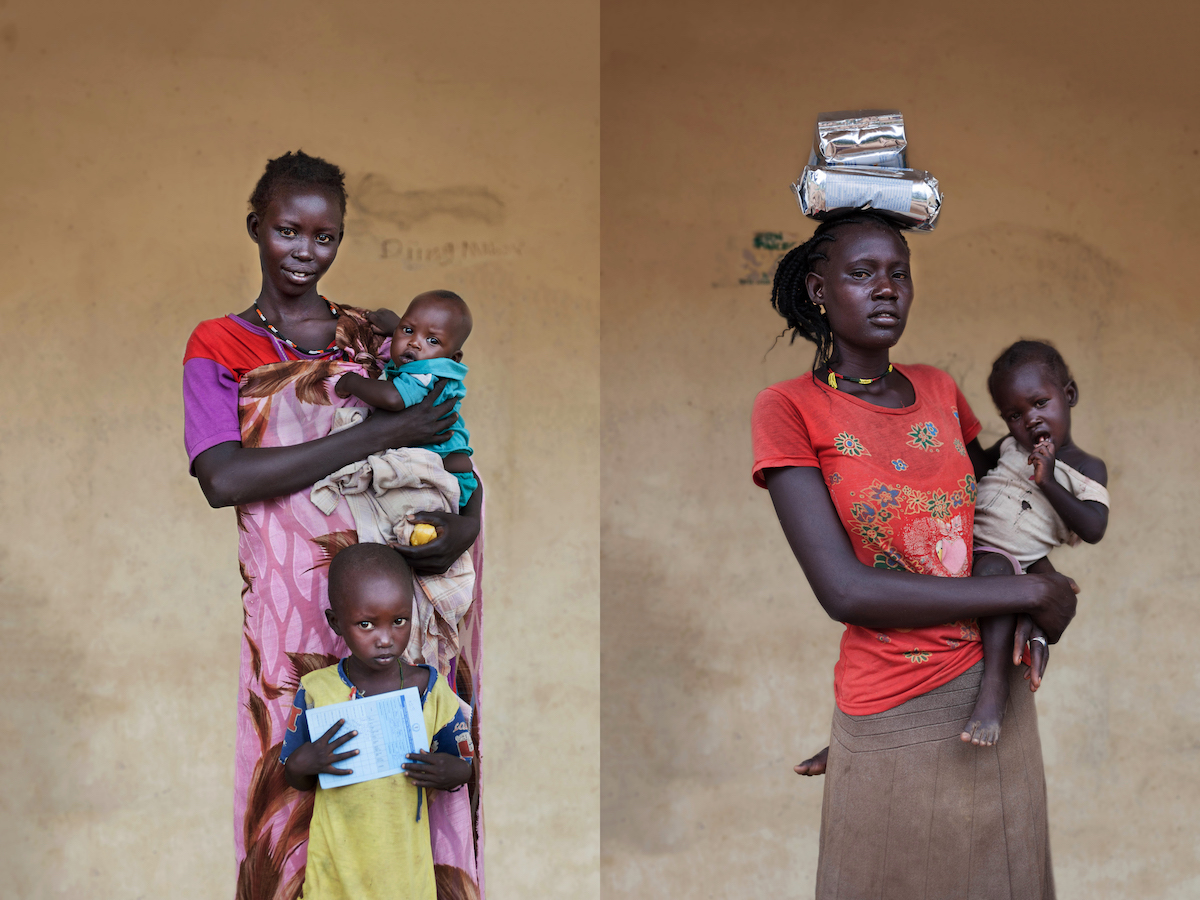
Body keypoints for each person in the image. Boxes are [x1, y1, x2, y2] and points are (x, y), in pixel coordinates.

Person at [182, 150, 483, 898]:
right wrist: (380, 432)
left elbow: (447, 444)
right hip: (290, 609)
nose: (305, 252)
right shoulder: (219, 345)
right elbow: (224, 477)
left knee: (417, 771)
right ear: (257, 228)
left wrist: (466, 530)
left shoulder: (378, 336)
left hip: (395, 598)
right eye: (288, 231)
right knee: (295, 780)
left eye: (324, 237)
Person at [751, 210, 1079, 898]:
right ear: (818, 289)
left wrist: (1042, 584)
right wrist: (1023, 596)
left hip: (995, 699)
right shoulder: (789, 409)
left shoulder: (939, 390)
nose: (886, 290)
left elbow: (997, 512)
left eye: (899, 273)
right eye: (862, 273)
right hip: (889, 704)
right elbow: (846, 591)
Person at [280, 543, 473, 900]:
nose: (385, 639)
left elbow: (464, 766)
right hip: (334, 875)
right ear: (336, 623)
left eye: (399, 621)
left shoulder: (428, 690)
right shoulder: (316, 691)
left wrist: (450, 773)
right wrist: (305, 762)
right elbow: (295, 776)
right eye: (366, 624)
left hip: (404, 876)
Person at [962, 340, 1109, 745]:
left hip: (1009, 561)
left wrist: (1047, 482)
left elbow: (1094, 527)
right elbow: (974, 469)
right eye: (1014, 414)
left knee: (996, 575)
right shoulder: (1011, 447)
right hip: (965, 546)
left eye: (1040, 402)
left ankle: (994, 690)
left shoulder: (1084, 469)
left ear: (1070, 395)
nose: (1030, 420)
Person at [335, 289, 478, 507]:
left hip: (441, 472)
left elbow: (393, 398)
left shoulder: (428, 371)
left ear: (453, 358)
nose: (414, 343)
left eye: (432, 340)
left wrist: (352, 382)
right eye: (409, 330)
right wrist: (397, 328)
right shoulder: (425, 357)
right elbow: (416, 341)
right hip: (431, 466)